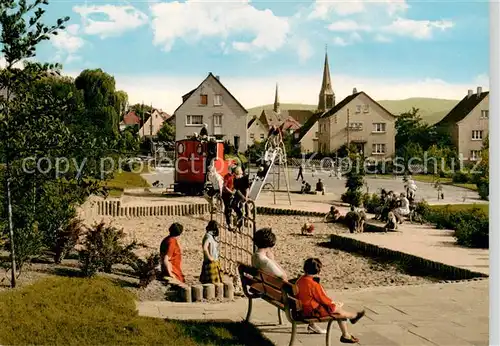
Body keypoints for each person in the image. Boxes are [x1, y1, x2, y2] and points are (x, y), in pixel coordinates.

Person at [251, 229, 323, 334]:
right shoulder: (265, 261)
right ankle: (312, 323)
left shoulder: (255, 256)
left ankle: (312, 323)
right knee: (313, 283)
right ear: (270, 244)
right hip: (280, 291)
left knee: (307, 282)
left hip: (268, 287)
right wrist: (273, 260)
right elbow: (284, 277)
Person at [296, 258, 365, 340]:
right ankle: (352, 319)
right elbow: (322, 299)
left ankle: (348, 329)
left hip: (303, 308)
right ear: (318, 272)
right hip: (311, 311)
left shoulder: (300, 280)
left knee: (336, 308)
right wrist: (333, 303)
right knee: (337, 310)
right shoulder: (313, 284)